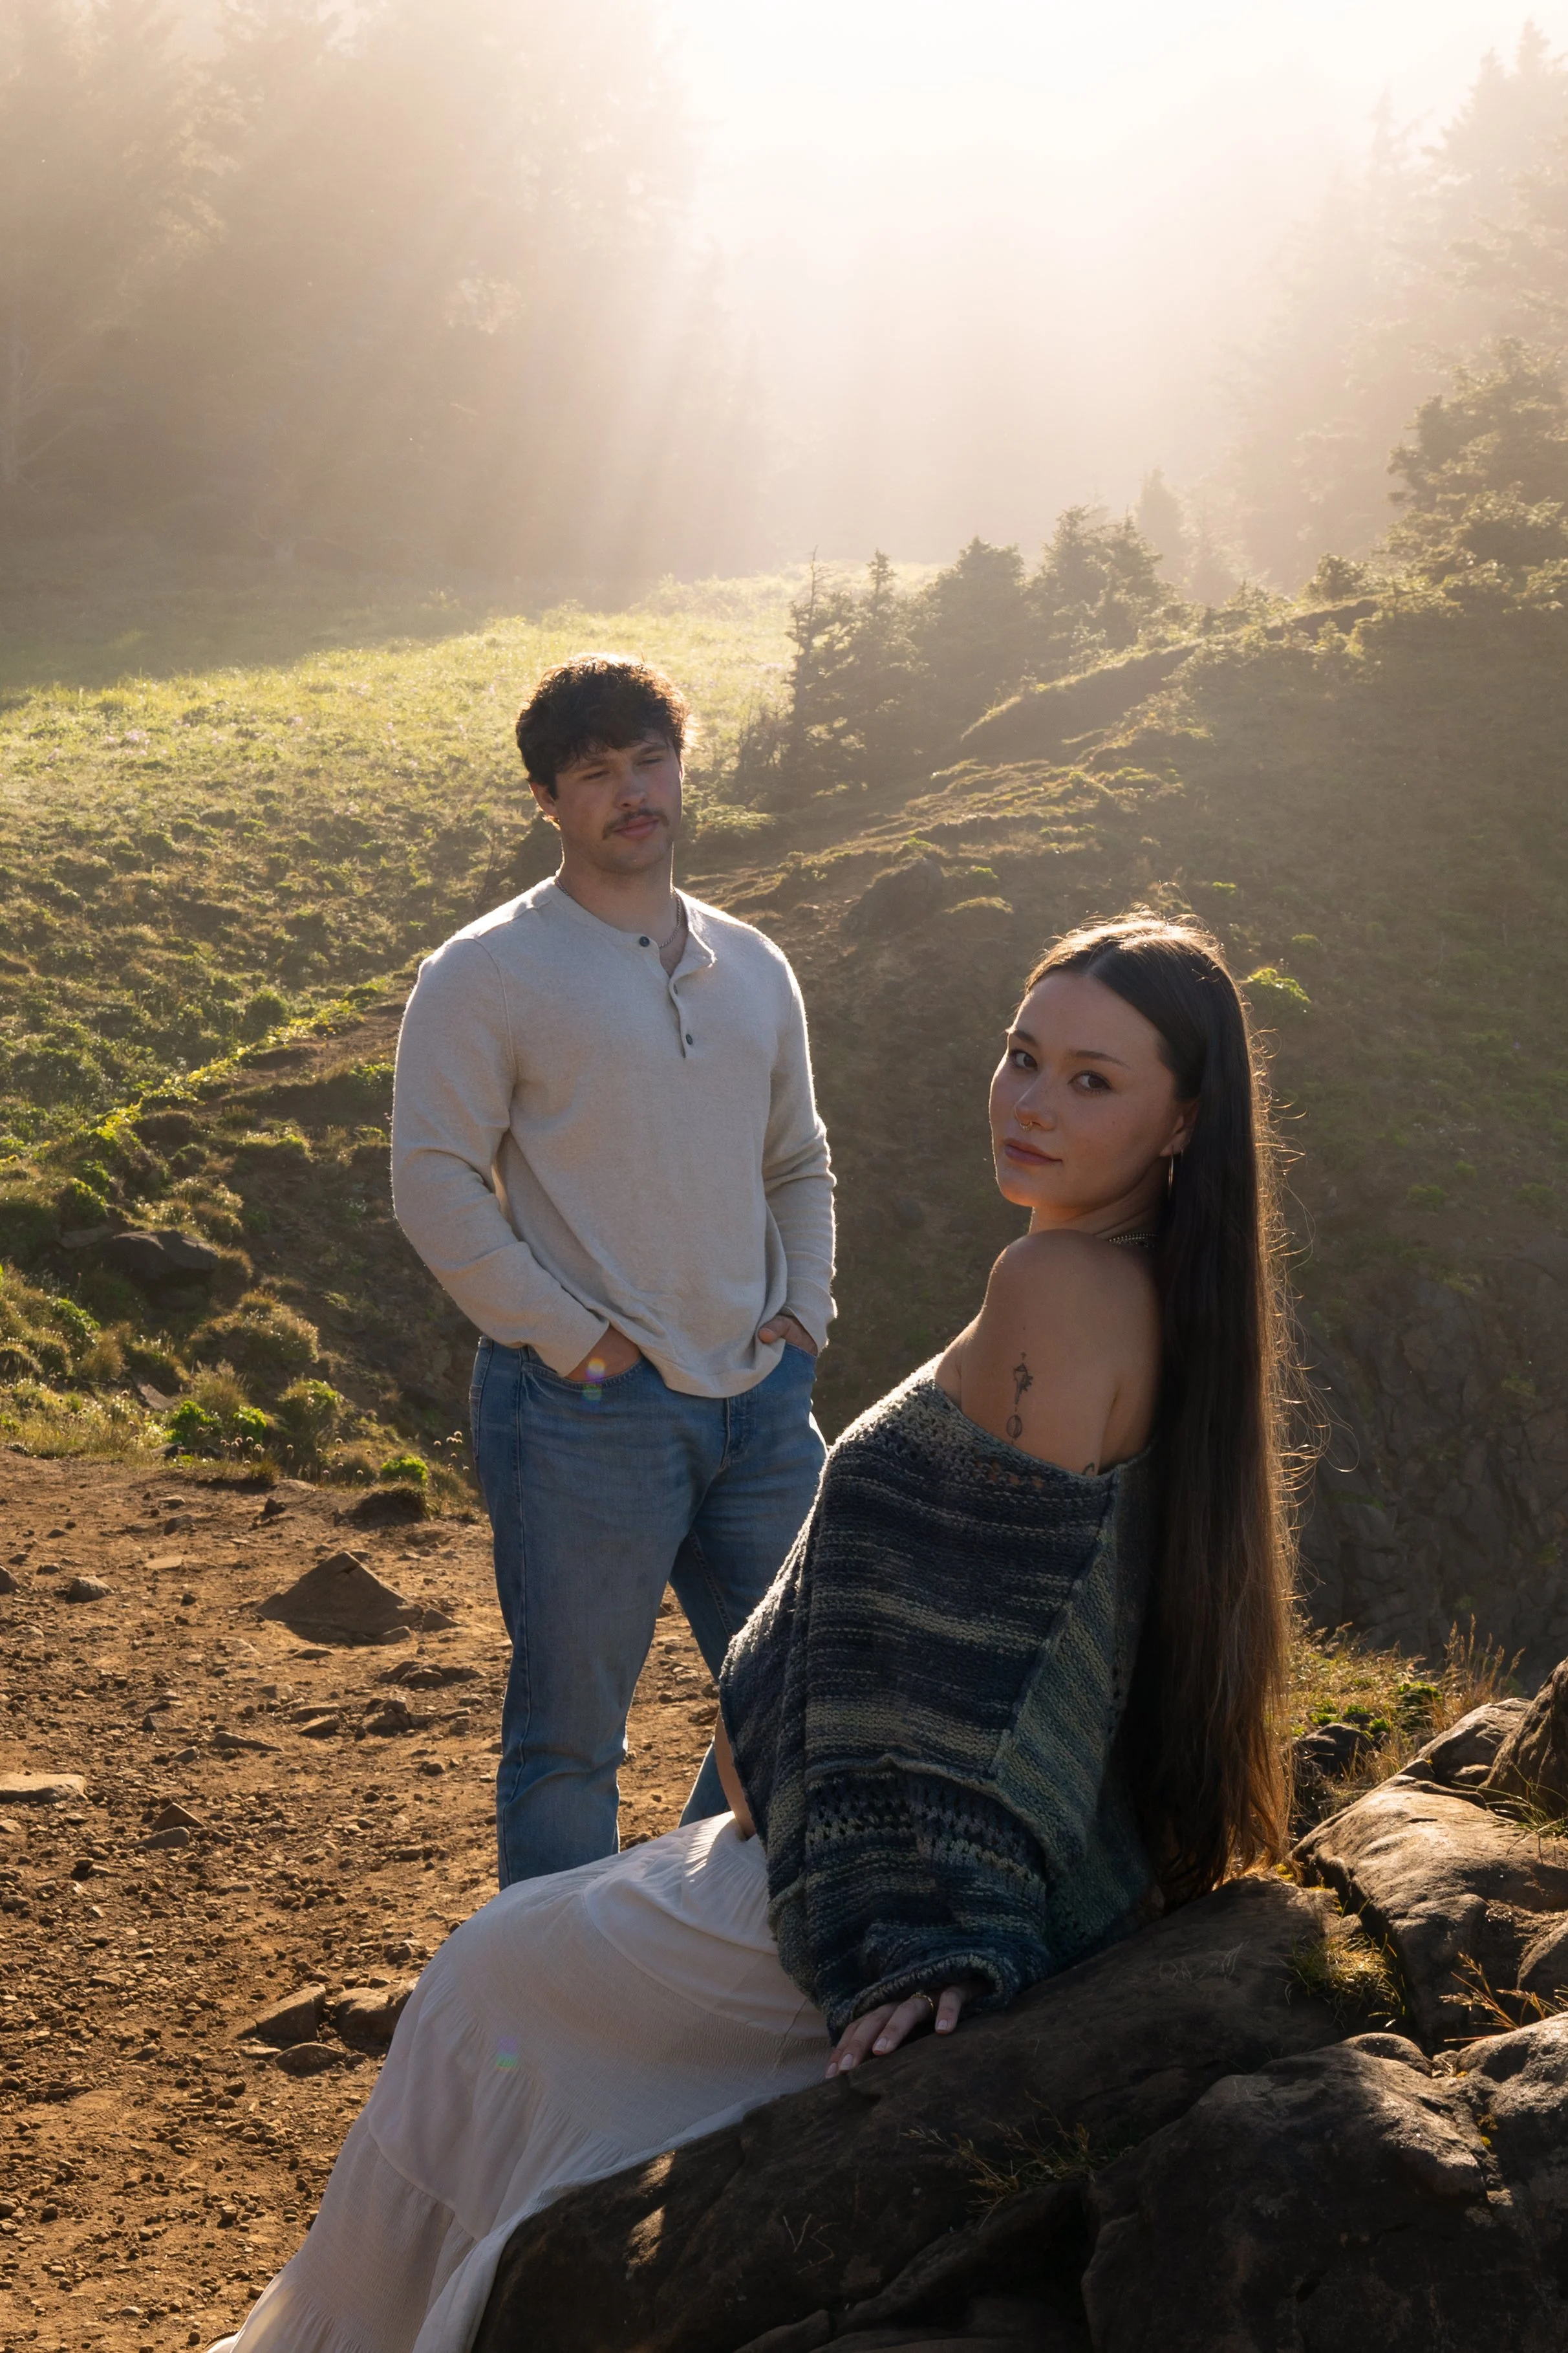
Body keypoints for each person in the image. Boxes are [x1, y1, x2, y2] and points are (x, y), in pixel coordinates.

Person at [215, 913, 1295, 2353]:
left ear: (1186, 1119)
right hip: (895, 1861)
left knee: (483, 1982)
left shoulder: (1056, 1290)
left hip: (866, 1893)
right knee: (515, 1967)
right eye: (1022, 1054)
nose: (1031, 1100)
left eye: (1093, 1080)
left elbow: (973, 1669)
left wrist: (926, 1940)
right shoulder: (1160, 1297)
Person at [391, 654, 835, 1886]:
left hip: (762, 1397)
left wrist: (805, 1311)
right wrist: (572, 1338)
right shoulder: (484, 971)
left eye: (649, 760)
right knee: (570, 1742)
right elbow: (431, 1181)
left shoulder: (754, 963)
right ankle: (554, 2018)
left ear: (681, 766)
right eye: (596, 773)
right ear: (550, 800)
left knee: (809, 1683)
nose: (632, 792)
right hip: (585, 1409)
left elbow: (799, 1157)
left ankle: (679, 1925)